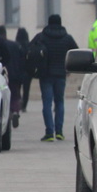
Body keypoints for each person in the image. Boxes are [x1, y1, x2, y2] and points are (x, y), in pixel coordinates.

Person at [33, 14, 77, 142]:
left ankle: (49, 132)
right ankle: (59, 132)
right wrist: (68, 67)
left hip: (45, 75)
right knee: (59, 102)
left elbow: (30, 50)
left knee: (46, 103)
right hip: (61, 75)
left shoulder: (41, 37)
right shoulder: (67, 38)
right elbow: (75, 51)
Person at [0, 26, 25, 128]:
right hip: (15, 75)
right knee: (15, 95)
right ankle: (15, 111)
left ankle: (7, 113)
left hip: (1, 74)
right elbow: (21, 60)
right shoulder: (15, 45)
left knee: (3, 94)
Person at [16, 28, 31, 112]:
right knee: (26, 90)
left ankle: (18, 103)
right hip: (27, 71)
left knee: (17, 88)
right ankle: (24, 105)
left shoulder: (16, 45)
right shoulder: (29, 46)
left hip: (18, 70)